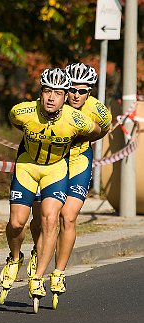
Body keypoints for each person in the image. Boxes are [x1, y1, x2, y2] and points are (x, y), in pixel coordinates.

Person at [0, 67, 102, 306]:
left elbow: (98, 130)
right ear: (41, 93)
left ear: (65, 96)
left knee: (54, 219)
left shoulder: (79, 118)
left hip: (58, 168)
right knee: (17, 222)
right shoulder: (23, 111)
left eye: (57, 92)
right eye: (47, 91)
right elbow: (16, 120)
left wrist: (78, 140)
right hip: (27, 165)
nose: (51, 97)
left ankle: (41, 276)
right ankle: (15, 258)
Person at [27, 63, 112, 304]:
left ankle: (59, 273)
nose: (75, 95)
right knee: (41, 217)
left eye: (82, 91)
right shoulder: (55, 101)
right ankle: (39, 248)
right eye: (72, 89)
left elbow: (105, 129)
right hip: (51, 163)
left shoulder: (99, 111)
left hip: (77, 163)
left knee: (68, 216)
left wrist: (86, 137)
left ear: (90, 92)